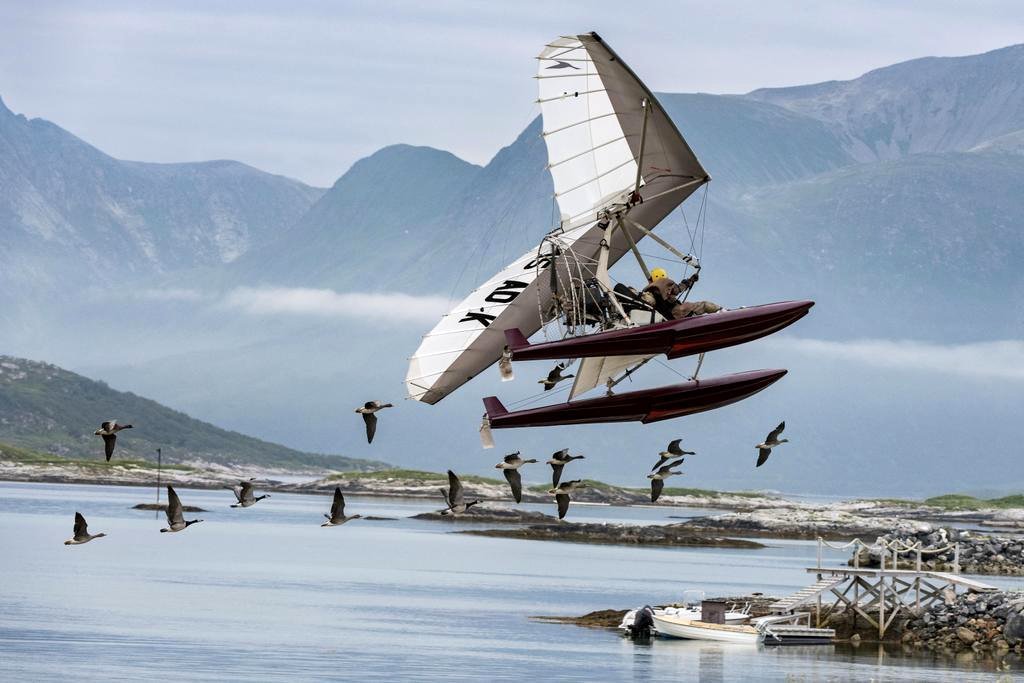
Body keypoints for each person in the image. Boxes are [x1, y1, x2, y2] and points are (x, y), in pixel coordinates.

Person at [642, 267, 721, 319]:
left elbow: (649, 301)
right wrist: (690, 280)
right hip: (677, 312)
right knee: (704, 305)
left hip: (667, 317)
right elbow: (678, 289)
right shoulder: (664, 282)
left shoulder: (649, 291)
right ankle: (723, 311)